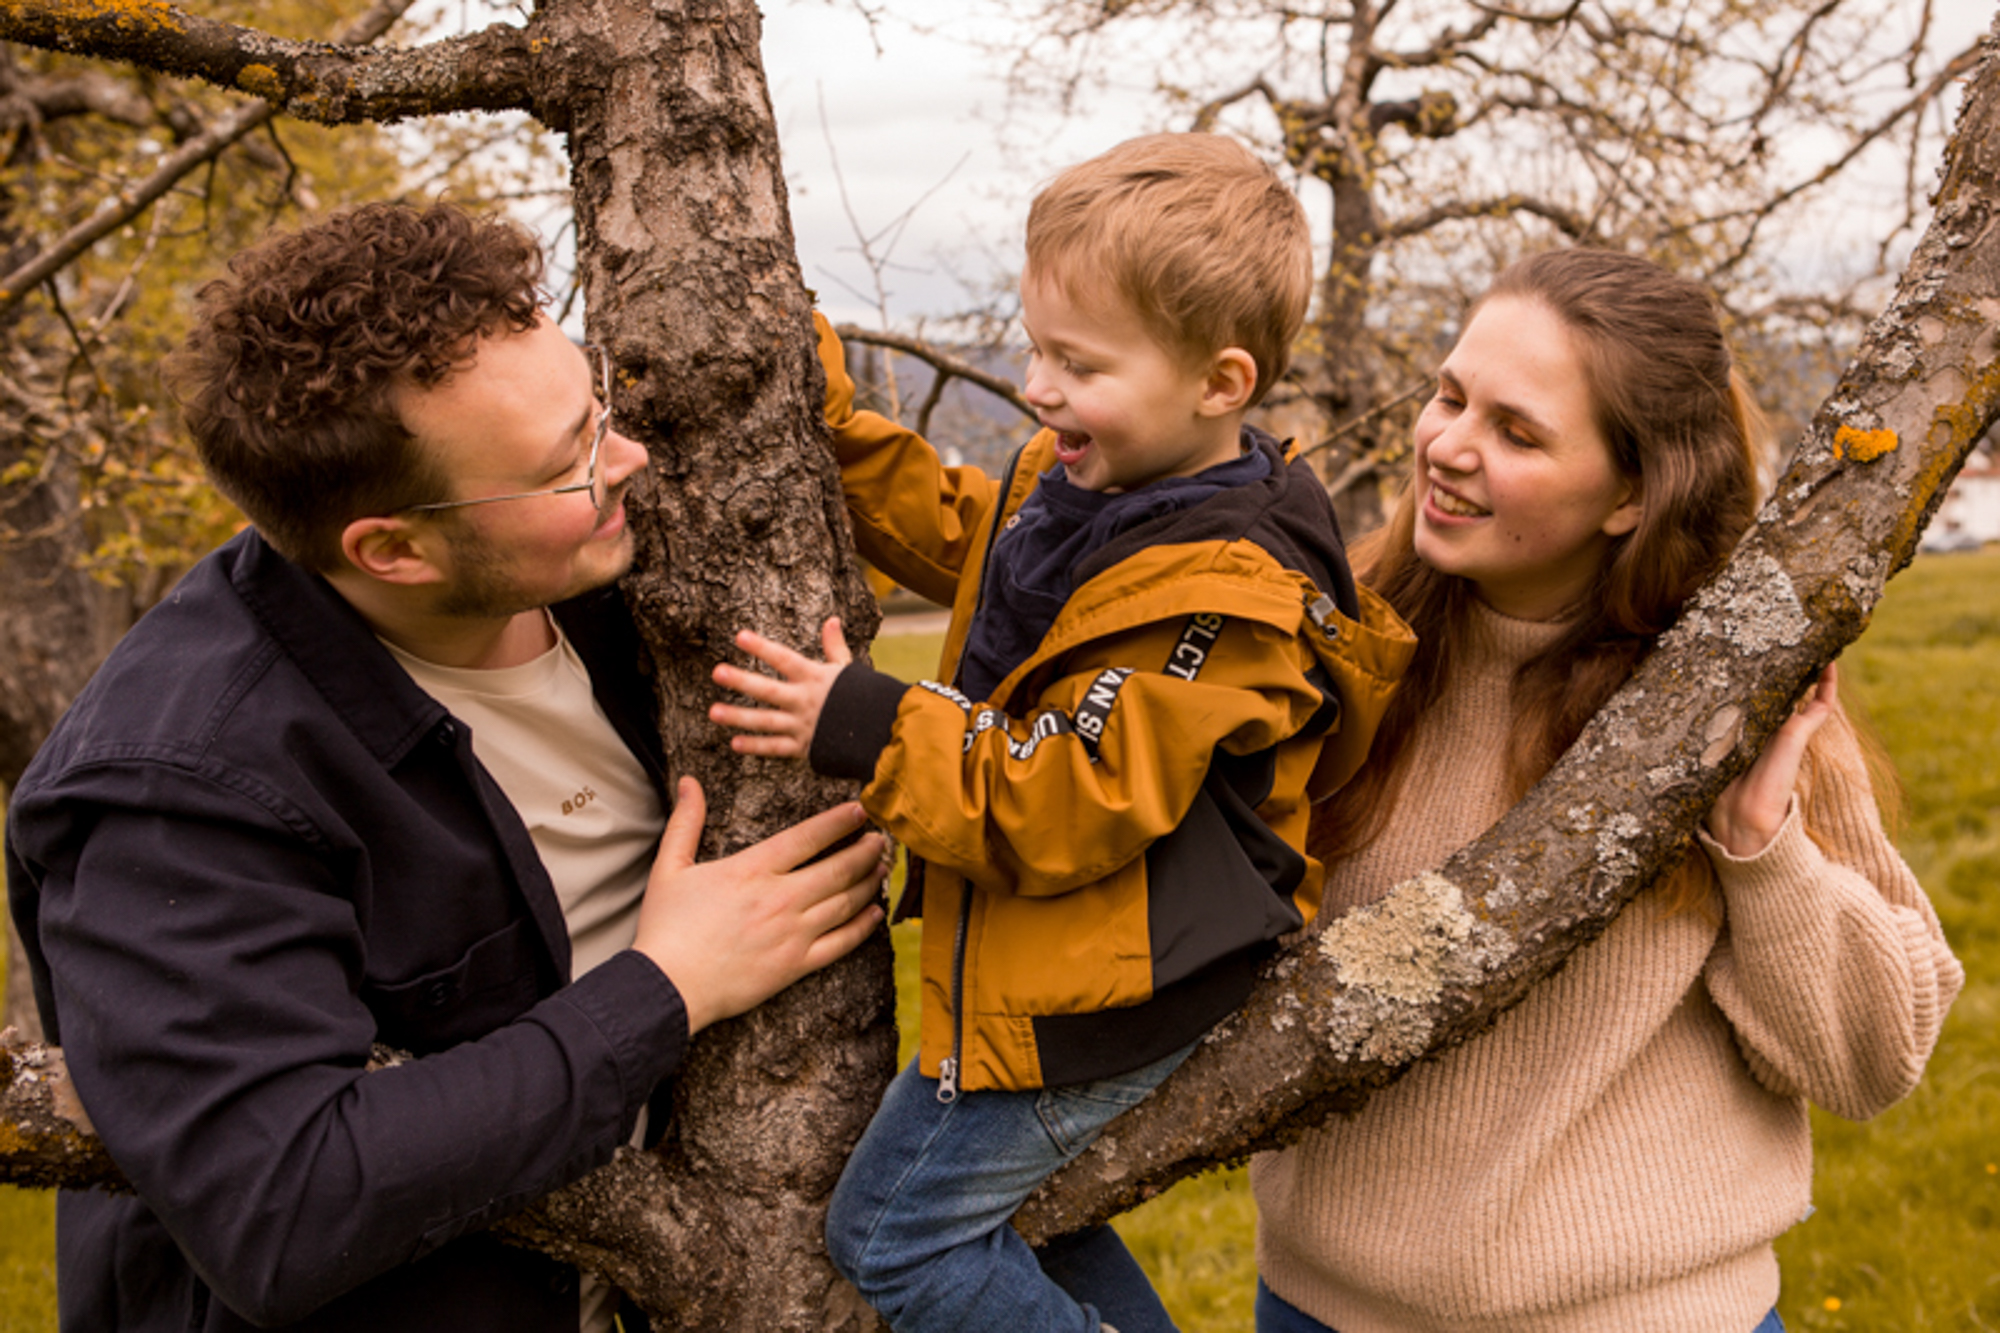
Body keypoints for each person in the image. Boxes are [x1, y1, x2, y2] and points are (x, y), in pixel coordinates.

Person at [2, 201, 889, 1333]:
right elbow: (280, 1201)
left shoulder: (620, 593)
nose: (629, 461)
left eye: (595, 411)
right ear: (392, 549)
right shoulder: (173, 786)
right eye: (567, 461)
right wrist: (667, 987)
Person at [706, 132, 1416, 1333]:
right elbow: (973, 535)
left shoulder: (1222, 597)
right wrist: (831, 430)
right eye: (1035, 347)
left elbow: (1071, 793)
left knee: (891, 1235)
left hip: (1125, 994)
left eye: (1076, 363)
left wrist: (871, 726)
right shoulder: (1099, 487)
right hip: (1075, 963)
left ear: (1218, 383)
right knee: (1023, 1215)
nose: (1037, 386)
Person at [1249, 247, 1965, 1333]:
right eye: (1448, 397)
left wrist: (1760, 847)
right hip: (1315, 1306)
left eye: (1515, 431)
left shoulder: (1729, 694)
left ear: (1631, 495)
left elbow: (1876, 1055)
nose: (1445, 445)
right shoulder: (1342, 642)